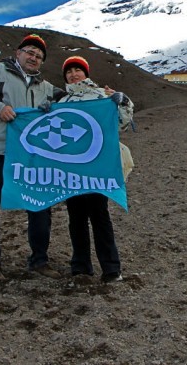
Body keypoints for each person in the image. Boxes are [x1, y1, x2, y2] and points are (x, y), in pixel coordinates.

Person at [0, 34, 65, 281]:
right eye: (30, 52)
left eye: (39, 56)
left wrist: (105, 97)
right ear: (18, 53)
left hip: (30, 154)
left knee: (40, 204)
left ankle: (39, 260)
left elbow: (74, 102)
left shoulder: (46, 88)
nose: (34, 58)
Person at [59, 55, 134, 283]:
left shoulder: (102, 96)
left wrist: (123, 101)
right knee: (76, 218)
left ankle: (111, 269)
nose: (73, 74)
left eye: (77, 70)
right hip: (72, 169)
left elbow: (122, 122)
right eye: (69, 71)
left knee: (100, 216)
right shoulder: (63, 102)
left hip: (98, 167)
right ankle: (81, 267)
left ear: (86, 73)